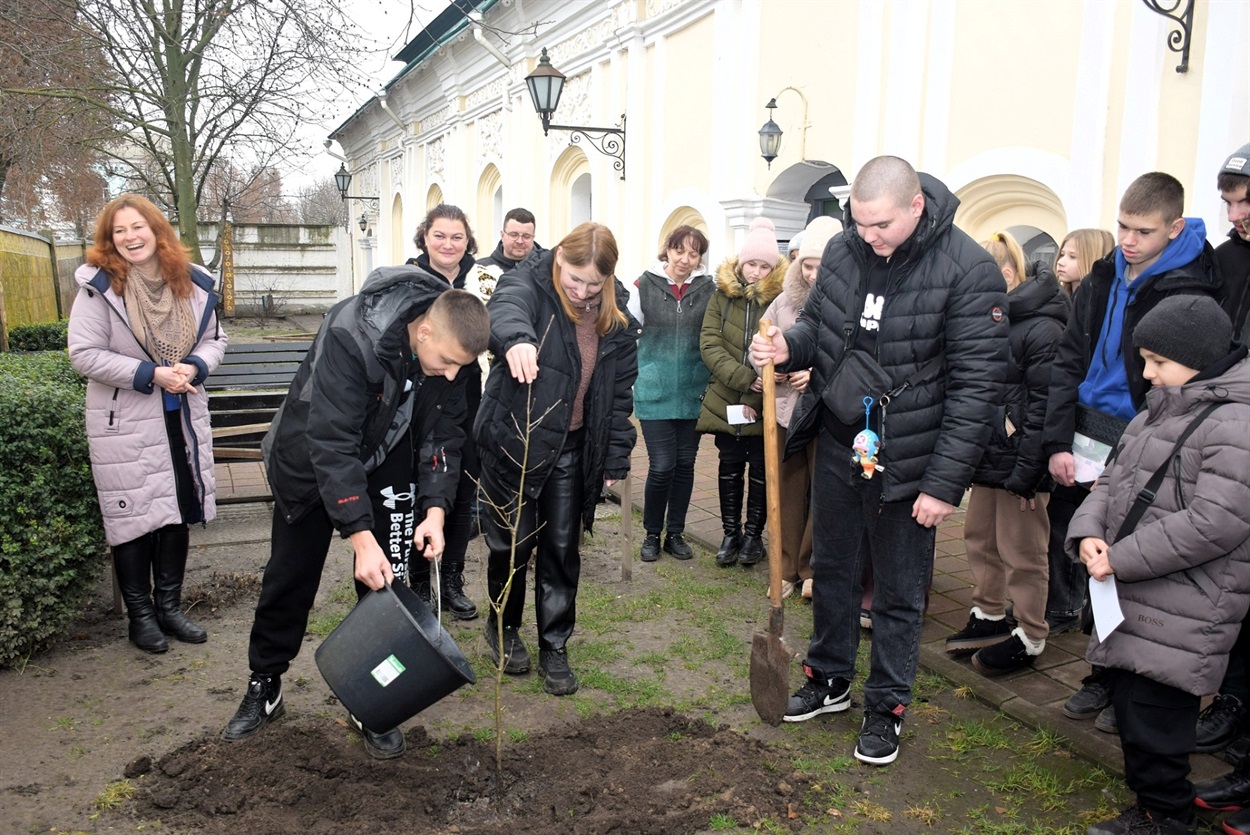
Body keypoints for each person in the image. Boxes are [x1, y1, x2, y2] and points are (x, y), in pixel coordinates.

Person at [751, 156, 1009, 765]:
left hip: (912, 457)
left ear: (916, 206)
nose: (868, 237)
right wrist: (788, 345)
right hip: (843, 439)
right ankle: (829, 679)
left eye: (881, 226)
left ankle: (886, 705)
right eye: (860, 223)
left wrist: (944, 485)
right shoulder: (843, 250)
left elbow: (979, 389)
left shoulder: (969, 271)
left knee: (897, 591)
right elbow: (819, 328)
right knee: (832, 569)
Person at [221, 271, 488, 759]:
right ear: (423, 331)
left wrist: (433, 510)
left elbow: (445, 436)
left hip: (386, 457)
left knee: (384, 586)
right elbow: (332, 441)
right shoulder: (353, 334)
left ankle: (371, 699)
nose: (452, 375)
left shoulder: (455, 349)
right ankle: (266, 683)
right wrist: (360, 538)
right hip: (311, 460)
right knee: (290, 576)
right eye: (447, 363)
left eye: (461, 368)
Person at [1043, 172, 1221, 731]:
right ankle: (1100, 672)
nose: (1128, 239)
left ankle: (1131, 686)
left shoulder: (1193, 285)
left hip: (1150, 429)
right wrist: (1055, 439)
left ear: (1173, 227)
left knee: (1136, 559)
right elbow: (1069, 358)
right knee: (1086, 547)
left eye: (1143, 230)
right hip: (1084, 427)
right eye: (1122, 225)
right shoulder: (1101, 277)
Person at [1073, 295, 1250, 835]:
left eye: (1157, 362)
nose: (1146, 374)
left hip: (1187, 603)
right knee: (1133, 708)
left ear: (1197, 358)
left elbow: (1214, 523)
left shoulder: (1236, 424)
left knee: (1157, 719)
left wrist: (1119, 559)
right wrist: (1087, 533)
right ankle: (1153, 804)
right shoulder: (1160, 407)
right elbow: (1112, 479)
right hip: (1136, 588)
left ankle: (1166, 815)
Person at [476, 222, 640, 696]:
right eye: (574, 277)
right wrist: (516, 340)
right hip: (516, 439)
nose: (582, 291)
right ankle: (502, 628)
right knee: (513, 544)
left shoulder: (615, 317)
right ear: (559, 259)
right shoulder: (527, 280)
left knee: (562, 550)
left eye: (594, 283)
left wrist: (614, 454)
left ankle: (555, 645)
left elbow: (618, 394)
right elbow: (505, 310)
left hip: (572, 447)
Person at [68, 195, 227, 655]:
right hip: (127, 423)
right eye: (119, 231)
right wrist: (151, 374)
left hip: (183, 419)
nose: (130, 237)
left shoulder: (194, 284)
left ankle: (170, 608)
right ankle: (141, 618)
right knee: (134, 519)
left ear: (158, 232)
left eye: (138, 227)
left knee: (176, 510)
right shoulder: (99, 288)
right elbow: (83, 354)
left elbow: (217, 339)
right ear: (109, 239)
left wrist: (194, 365)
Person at [944, 232, 1068, 676]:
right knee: (980, 537)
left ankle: (1032, 632)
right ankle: (989, 613)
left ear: (1006, 276)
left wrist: (1030, 473)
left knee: (1024, 550)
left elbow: (1045, 407)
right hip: (991, 458)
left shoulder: (1043, 329)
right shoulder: (991, 320)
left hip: (1022, 464)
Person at [1184, 141, 1250, 760]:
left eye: (1245, 200)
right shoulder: (1226, 263)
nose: (1236, 214)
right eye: (1231, 202)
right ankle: (1229, 704)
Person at [405, 204, 485, 620]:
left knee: (462, 489)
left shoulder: (483, 278)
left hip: (466, 396)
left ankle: (452, 577)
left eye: (457, 237)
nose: (448, 244)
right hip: (420, 397)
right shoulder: (410, 280)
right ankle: (419, 579)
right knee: (423, 483)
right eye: (440, 235)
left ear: (467, 240)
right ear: (425, 237)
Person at [758, 215, 841, 597]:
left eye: (821, 266)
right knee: (787, 490)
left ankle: (812, 568)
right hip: (785, 413)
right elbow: (760, 345)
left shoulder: (845, 305)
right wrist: (770, 366)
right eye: (807, 265)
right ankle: (787, 566)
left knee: (823, 492)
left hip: (825, 416)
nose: (812, 275)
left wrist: (816, 373)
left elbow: (851, 356)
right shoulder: (782, 301)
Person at [698, 217, 787, 568]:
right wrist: (742, 378)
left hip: (765, 401)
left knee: (763, 471)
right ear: (740, 263)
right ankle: (730, 532)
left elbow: (786, 345)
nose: (756, 271)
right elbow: (709, 343)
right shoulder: (721, 297)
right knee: (729, 467)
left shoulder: (780, 300)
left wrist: (757, 389)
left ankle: (753, 536)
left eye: (764, 266)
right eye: (751, 263)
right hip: (726, 398)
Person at [1045, 228, 1117, 636]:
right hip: (1074, 431)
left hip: (1100, 433)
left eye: (1071, 255)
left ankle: (1079, 606)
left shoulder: (1095, 307)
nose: (1061, 262)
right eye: (1060, 253)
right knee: (1063, 522)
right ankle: (1065, 602)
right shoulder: (1067, 306)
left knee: (1090, 524)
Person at [628, 225, 714, 562]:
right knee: (662, 466)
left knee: (685, 465)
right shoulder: (643, 286)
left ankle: (675, 533)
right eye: (680, 251)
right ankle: (652, 533)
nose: (686, 259)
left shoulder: (709, 289)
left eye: (694, 254)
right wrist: (633, 376)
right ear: (669, 249)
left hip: (693, 391)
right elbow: (627, 334)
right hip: (654, 391)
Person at [474, 207, 542, 299]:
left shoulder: (545, 269)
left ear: (533, 237)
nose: (520, 241)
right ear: (502, 235)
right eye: (514, 235)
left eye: (526, 236)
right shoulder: (480, 270)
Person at [1054, 228, 1116, 298]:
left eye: (1072, 256)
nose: (1060, 262)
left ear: (1092, 259)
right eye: (1062, 254)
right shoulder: (1058, 298)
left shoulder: (1097, 303)